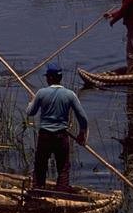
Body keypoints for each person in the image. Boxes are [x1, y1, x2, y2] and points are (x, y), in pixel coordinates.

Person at [25, 63, 88, 192]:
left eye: (47, 77)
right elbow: (83, 118)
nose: (46, 79)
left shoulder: (41, 93)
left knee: (40, 165)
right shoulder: (70, 95)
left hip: (45, 136)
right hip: (61, 136)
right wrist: (82, 133)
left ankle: (38, 189)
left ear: (50, 78)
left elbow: (30, 112)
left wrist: (31, 101)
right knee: (63, 166)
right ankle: (62, 190)